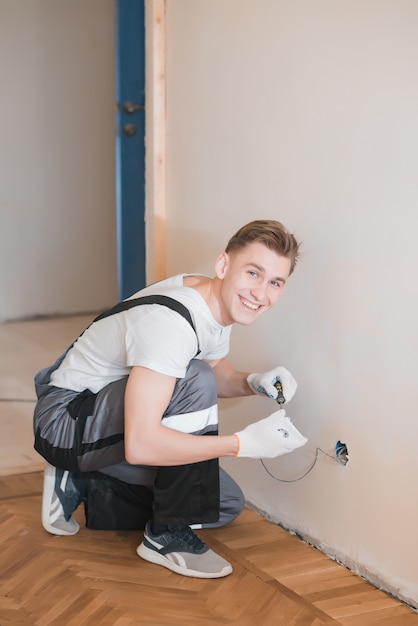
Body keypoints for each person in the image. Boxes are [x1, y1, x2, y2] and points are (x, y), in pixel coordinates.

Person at [33, 219, 307, 579]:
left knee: (222, 505)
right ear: (224, 265)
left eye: (275, 282)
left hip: (100, 420)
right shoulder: (172, 324)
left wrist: (253, 382)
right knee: (195, 380)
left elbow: (214, 367)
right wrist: (241, 444)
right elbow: (143, 444)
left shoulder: (214, 302)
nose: (260, 293)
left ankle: (83, 479)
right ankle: (165, 538)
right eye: (253, 273)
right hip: (65, 420)